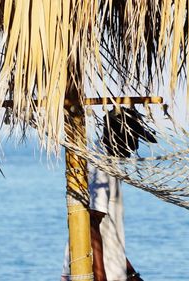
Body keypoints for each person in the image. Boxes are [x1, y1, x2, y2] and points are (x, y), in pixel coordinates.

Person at [62, 107, 156, 281]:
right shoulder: (101, 168)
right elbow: (90, 223)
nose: (135, 146)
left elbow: (108, 233)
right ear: (118, 134)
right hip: (98, 274)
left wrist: (131, 273)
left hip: (112, 271)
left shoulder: (106, 160)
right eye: (133, 137)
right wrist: (100, 277)